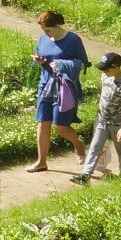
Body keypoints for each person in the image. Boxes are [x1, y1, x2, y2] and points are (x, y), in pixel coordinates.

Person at [29, 11, 89, 172]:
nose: (45, 33)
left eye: (47, 30)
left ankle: (78, 144)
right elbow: (41, 55)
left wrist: (62, 64)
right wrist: (39, 60)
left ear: (56, 26)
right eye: (43, 30)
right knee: (43, 123)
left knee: (61, 126)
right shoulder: (43, 38)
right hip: (45, 86)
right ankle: (41, 162)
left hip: (64, 88)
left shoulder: (73, 40)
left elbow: (84, 64)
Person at [74, 53, 121, 181]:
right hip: (102, 119)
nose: (104, 72)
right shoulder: (105, 77)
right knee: (95, 146)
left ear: (116, 67)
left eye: (107, 69)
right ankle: (85, 175)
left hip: (117, 124)